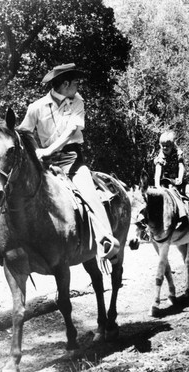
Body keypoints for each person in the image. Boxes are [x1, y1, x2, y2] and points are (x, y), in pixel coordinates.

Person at [17, 63, 120, 261]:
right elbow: (24, 133)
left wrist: (48, 149)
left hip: (72, 160)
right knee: (20, 189)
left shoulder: (77, 101)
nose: (77, 87)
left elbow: (71, 131)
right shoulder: (35, 107)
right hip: (45, 163)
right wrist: (35, 152)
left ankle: (106, 241)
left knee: (89, 193)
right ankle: (6, 240)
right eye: (76, 83)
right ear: (65, 84)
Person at [153, 130, 189, 241]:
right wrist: (157, 186)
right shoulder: (160, 157)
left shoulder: (178, 153)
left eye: (167, 146)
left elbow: (181, 167)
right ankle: (149, 227)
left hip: (179, 182)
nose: (165, 148)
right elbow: (158, 172)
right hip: (166, 183)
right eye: (163, 146)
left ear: (172, 145)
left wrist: (180, 179)